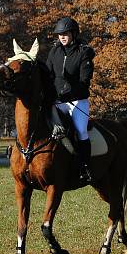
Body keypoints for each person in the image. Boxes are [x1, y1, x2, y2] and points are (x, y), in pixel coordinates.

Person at [45, 16, 96, 183]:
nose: (62, 37)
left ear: (73, 33)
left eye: (65, 33)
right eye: (59, 34)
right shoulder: (54, 51)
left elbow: (85, 80)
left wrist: (71, 90)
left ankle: (85, 167)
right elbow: (48, 74)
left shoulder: (84, 52)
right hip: (58, 102)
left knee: (81, 131)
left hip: (77, 101)